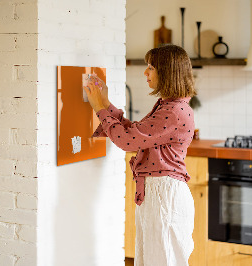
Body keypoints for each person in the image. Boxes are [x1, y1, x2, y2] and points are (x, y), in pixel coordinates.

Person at [84, 44, 197, 266]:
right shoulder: (169, 106)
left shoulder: (173, 111)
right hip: (159, 194)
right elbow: (135, 133)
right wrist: (106, 104)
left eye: (151, 67)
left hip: (164, 196)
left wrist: (99, 107)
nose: (145, 73)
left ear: (167, 72)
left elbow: (127, 141)